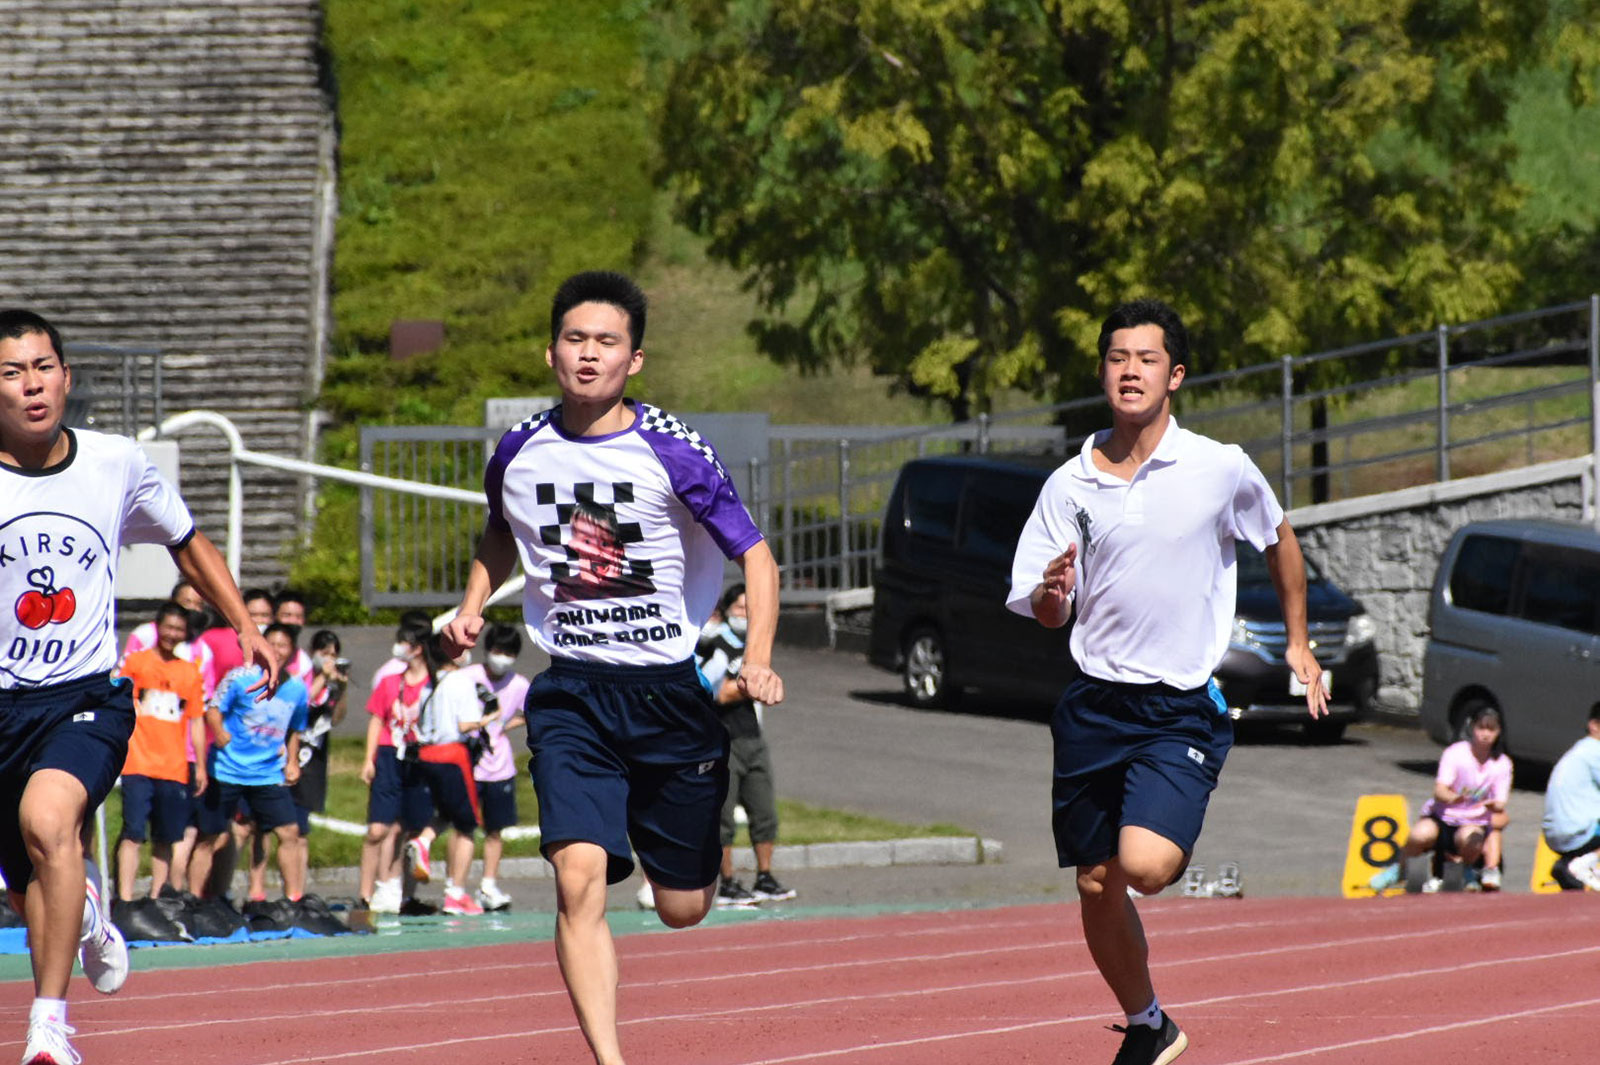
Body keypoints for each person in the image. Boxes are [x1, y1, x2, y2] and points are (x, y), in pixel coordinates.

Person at [440, 269, 784, 1065]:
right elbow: (500, 531)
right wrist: (472, 603)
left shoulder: (674, 448)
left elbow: (757, 556)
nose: (589, 354)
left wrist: (758, 657)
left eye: (607, 342)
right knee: (576, 880)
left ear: (635, 359)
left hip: (668, 696)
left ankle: (671, 843)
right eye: (575, 339)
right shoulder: (518, 451)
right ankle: (610, 1059)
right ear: (551, 351)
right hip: (574, 693)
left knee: (683, 906)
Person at [1006, 298, 1326, 1065]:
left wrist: (1299, 642)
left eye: (1146, 359)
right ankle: (1148, 1023)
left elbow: (1279, 538)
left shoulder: (1219, 467)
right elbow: (1045, 611)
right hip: (1092, 702)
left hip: (1177, 705)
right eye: (1118, 358)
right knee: (1095, 882)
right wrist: (1052, 593)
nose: (1131, 371)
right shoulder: (1068, 485)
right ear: (1102, 372)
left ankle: (1164, 816)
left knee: (1144, 867)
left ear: (1174, 375)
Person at [0, 309, 278, 1065]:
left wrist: (243, 624)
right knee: (29, 888)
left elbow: (186, 541)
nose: (32, 385)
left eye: (44, 367)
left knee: (48, 820)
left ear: (67, 376)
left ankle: (48, 1026)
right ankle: (88, 906)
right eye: (13, 372)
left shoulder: (116, 462)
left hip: (83, 697)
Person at [189, 624, 308, 904]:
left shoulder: (297, 688)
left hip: (267, 773)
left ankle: (293, 900)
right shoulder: (240, 677)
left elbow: (295, 727)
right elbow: (213, 709)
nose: (277, 651)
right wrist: (219, 732)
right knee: (211, 835)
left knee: (289, 832)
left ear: (292, 652)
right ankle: (196, 900)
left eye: (283, 646)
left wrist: (292, 760)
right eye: (272, 644)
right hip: (228, 768)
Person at [700, 583, 795, 906]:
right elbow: (712, 690)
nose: (745, 614)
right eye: (740, 608)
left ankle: (765, 877)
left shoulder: (751, 647)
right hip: (724, 741)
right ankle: (727, 883)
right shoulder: (717, 645)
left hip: (753, 737)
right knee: (724, 818)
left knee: (764, 812)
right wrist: (748, 686)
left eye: (749, 608)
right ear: (726, 610)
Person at [113, 602, 208, 901]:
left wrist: (201, 765)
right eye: (168, 627)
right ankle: (125, 899)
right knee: (133, 832)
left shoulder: (189, 672)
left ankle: (158, 898)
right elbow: (118, 704)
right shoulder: (136, 663)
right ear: (157, 627)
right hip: (137, 763)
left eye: (179, 629)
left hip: (173, 767)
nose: (172, 634)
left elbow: (196, 721)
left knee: (166, 837)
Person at [1369, 704, 1512, 893]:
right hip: (1443, 817)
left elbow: (1500, 802)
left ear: (1499, 732)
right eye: (1481, 728)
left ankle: (1467, 870)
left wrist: (1492, 805)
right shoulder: (1455, 753)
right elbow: (1440, 790)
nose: (1485, 734)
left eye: (1491, 729)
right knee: (1418, 835)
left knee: (1473, 839)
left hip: (1473, 821)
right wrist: (1454, 798)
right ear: (1472, 728)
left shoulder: (1502, 763)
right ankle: (1400, 869)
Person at [409, 634, 492, 915]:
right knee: (467, 825)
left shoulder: (430, 683)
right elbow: (466, 724)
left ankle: (423, 840)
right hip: (452, 755)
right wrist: (490, 717)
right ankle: (456, 892)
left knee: (446, 812)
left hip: (427, 755)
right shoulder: (461, 681)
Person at [455, 622, 529, 912]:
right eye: (498, 650)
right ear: (487, 650)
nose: (502, 658)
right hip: (467, 763)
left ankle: (488, 884)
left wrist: (504, 726)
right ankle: (456, 887)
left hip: (500, 767)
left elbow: (530, 712)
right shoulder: (467, 677)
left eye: (509, 653)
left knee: (495, 830)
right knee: (463, 828)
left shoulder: (519, 684)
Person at [359, 621, 432, 912]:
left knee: (412, 828)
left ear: (420, 648)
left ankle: (405, 896)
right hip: (390, 754)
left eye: (406, 643)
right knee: (378, 829)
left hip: (421, 757)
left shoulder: (434, 685)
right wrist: (369, 759)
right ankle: (367, 893)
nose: (400, 648)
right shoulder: (390, 682)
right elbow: (376, 719)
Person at [1542, 706, 1600, 890]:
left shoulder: (1579, 750)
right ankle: (1585, 862)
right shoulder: (1594, 750)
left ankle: (1568, 865)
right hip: (1577, 830)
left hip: (1557, 832)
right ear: (1594, 725)